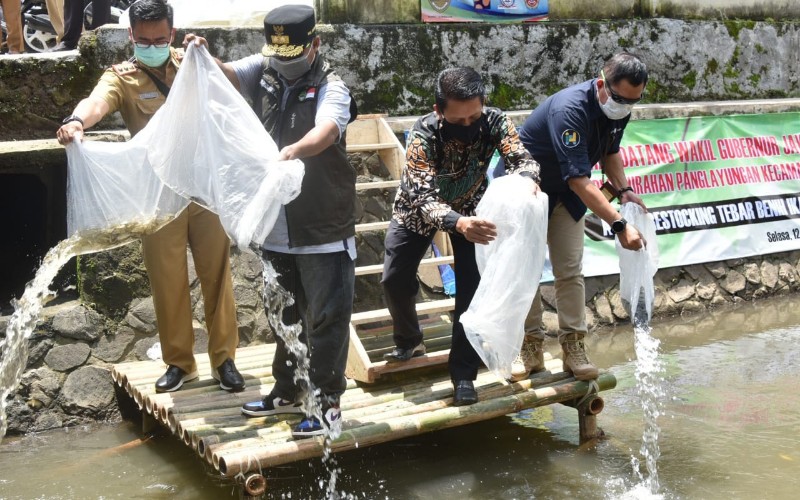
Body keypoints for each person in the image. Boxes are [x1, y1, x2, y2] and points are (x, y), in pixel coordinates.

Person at [185, 4, 357, 439]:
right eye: (278, 55)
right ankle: (286, 390)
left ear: (315, 45)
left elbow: (328, 130)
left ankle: (326, 406)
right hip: (276, 228)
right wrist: (204, 55)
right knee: (284, 315)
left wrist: (295, 150)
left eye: (294, 55)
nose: (284, 63)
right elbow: (227, 75)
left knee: (326, 319)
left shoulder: (331, 86)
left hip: (322, 229)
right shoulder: (265, 67)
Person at [56, 0, 245, 394]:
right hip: (159, 197)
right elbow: (97, 102)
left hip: (204, 190)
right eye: (144, 40)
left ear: (171, 34)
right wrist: (76, 121)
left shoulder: (193, 60)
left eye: (160, 38)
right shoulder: (122, 77)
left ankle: (224, 360)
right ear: (131, 37)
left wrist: (209, 57)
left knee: (218, 274)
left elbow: (235, 88)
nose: (152, 45)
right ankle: (180, 363)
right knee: (167, 280)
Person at [381, 67, 541, 406]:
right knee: (394, 279)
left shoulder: (496, 121)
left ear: (483, 104)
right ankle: (409, 337)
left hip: (472, 208)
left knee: (470, 290)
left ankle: (464, 376)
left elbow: (522, 159)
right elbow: (423, 196)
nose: (469, 127)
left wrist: (527, 180)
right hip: (418, 212)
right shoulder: (423, 134)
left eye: (474, 117)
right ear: (440, 110)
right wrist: (457, 224)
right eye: (460, 121)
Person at [513, 52, 647, 382]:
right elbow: (579, 179)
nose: (625, 106)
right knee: (526, 271)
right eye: (620, 99)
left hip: (568, 198)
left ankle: (573, 348)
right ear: (602, 84)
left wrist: (624, 188)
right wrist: (619, 224)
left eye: (634, 101)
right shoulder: (570, 109)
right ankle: (529, 348)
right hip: (530, 191)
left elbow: (610, 151)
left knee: (570, 270)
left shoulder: (619, 107)